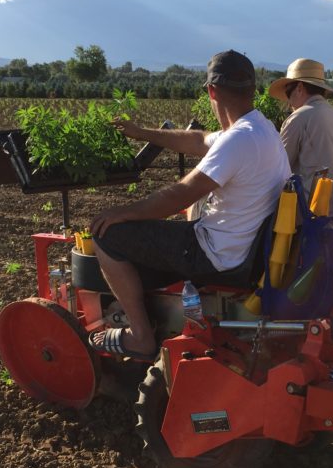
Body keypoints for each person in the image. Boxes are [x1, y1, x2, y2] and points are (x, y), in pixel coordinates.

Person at [88, 49, 290, 361]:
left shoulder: (238, 140)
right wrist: (142, 132)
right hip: (243, 250)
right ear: (252, 89)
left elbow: (181, 194)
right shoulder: (260, 128)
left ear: (211, 91)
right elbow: (198, 140)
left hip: (216, 255)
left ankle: (140, 336)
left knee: (106, 235)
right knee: (158, 240)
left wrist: (122, 212)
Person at [268, 58, 333, 225]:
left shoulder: (299, 118)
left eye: (288, 92)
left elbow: (278, 169)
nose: (288, 101)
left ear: (300, 88)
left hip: (315, 215)